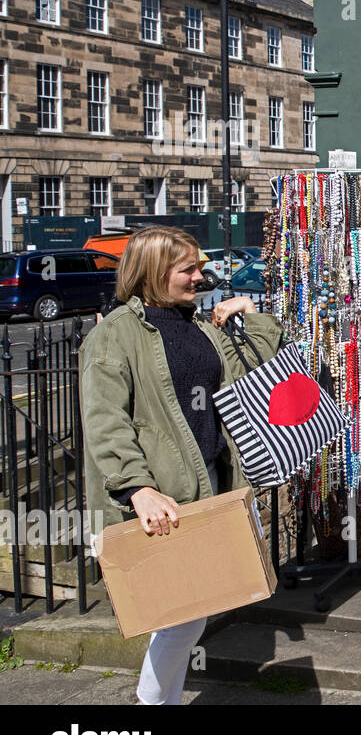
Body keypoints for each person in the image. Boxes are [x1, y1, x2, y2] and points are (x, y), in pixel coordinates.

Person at [80, 226, 283, 705]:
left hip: (209, 484)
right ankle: (150, 704)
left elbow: (257, 381)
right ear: (153, 272)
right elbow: (105, 422)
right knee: (183, 616)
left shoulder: (196, 327)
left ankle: (159, 703)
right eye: (188, 269)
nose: (201, 276)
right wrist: (138, 488)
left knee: (185, 613)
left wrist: (251, 320)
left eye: (199, 266)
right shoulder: (114, 336)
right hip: (160, 494)